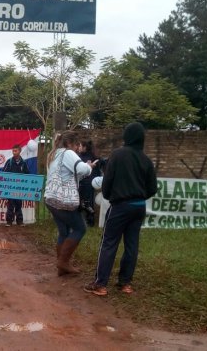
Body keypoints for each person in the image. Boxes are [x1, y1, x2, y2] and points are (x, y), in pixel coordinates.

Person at [84, 123, 157, 296]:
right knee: (132, 245)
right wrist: (139, 197)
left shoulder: (118, 155)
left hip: (120, 207)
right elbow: (152, 188)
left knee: (109, 242)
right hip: (139, 207)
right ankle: (125, 284)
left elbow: (107, 180)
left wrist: (110, 195)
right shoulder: (146, 160)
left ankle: (100, 284)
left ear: (126, 137)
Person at [44, 131, 97, 277]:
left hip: (50, 198)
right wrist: (89, 166)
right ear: (69, 144)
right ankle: (63, 262)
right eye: (75, 145)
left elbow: (65, 173)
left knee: (63, 232)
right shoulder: (68, 153)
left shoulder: (53, 154)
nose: (77, 148)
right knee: (80, 228)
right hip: (63, 200)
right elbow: (82, 169)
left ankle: (62, 267)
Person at [2, 144, 30, 226]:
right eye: (13, 151)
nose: (14, 152)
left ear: (20, 151)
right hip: (10, 188)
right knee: (10, 205)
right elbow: (3, 173)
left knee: (18, 204)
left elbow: (27, 174)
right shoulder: (9, 162)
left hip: (19, 188)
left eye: (15, 151)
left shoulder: (23, 163)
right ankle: (9, 221)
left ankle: (19, 221)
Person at [78, 140, 101, 227]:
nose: (79, 148)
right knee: (80, 203)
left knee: (88, 203)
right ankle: (81, 221)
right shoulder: (78, 157)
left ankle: (90, 221)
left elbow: (97, 172)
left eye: (80, 146)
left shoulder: (92, 157)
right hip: (81, 183)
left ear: (85, 147)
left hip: (88, 183)